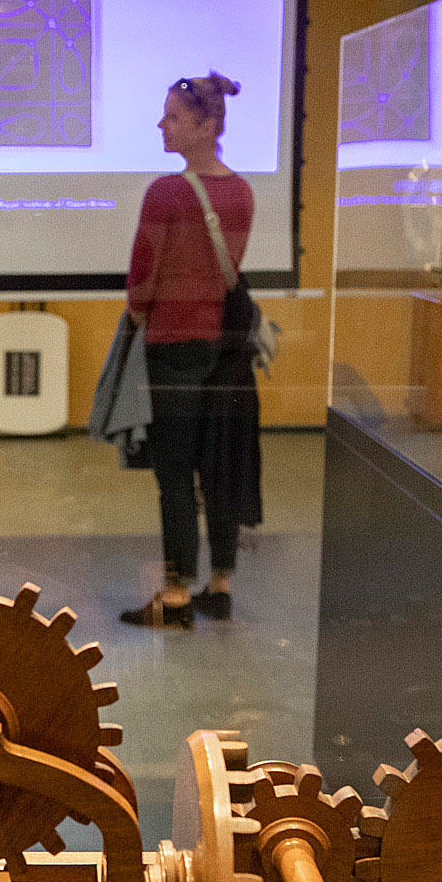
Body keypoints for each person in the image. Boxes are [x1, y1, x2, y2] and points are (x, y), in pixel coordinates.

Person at [118, 71, 262, 628]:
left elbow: (143, 276)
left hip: (173, 348)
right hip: (226, 352)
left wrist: (137, 318)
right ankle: (219, 586)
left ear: (206, 126)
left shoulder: (167, 192)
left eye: (173, 116)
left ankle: (175, 595)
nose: (161, 124)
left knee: (174, 473)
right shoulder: (243, 192)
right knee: (220, 464)